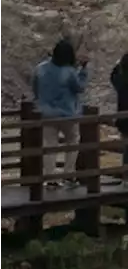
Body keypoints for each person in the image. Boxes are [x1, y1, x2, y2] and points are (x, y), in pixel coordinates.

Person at [33, 38, 88, 186]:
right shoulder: (69, 72)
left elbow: (35, 89)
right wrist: (83, 71)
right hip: (67, 113)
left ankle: (50, 179)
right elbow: (80, 88)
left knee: (49, 145)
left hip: (46, 113)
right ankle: (68, 175)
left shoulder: (40, 68)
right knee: (73, 140)